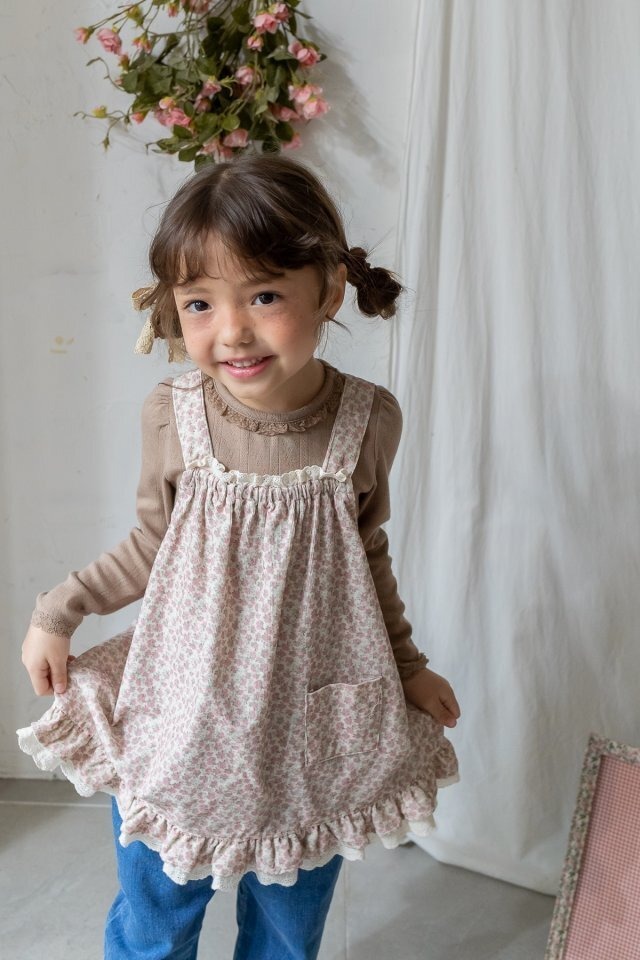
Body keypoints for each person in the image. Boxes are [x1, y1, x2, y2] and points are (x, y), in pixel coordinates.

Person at [17, 154, 460, 960]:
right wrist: (60, 609)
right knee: (157, 914)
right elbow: (151, 544)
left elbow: (366, 555)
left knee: (290, 926)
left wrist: (407, 667)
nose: (232, 331)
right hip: (184, 715)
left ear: (328, 290)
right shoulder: (174, 414)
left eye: (263, 296)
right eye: (199, 303)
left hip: (308, 729)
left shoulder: (367, 421)